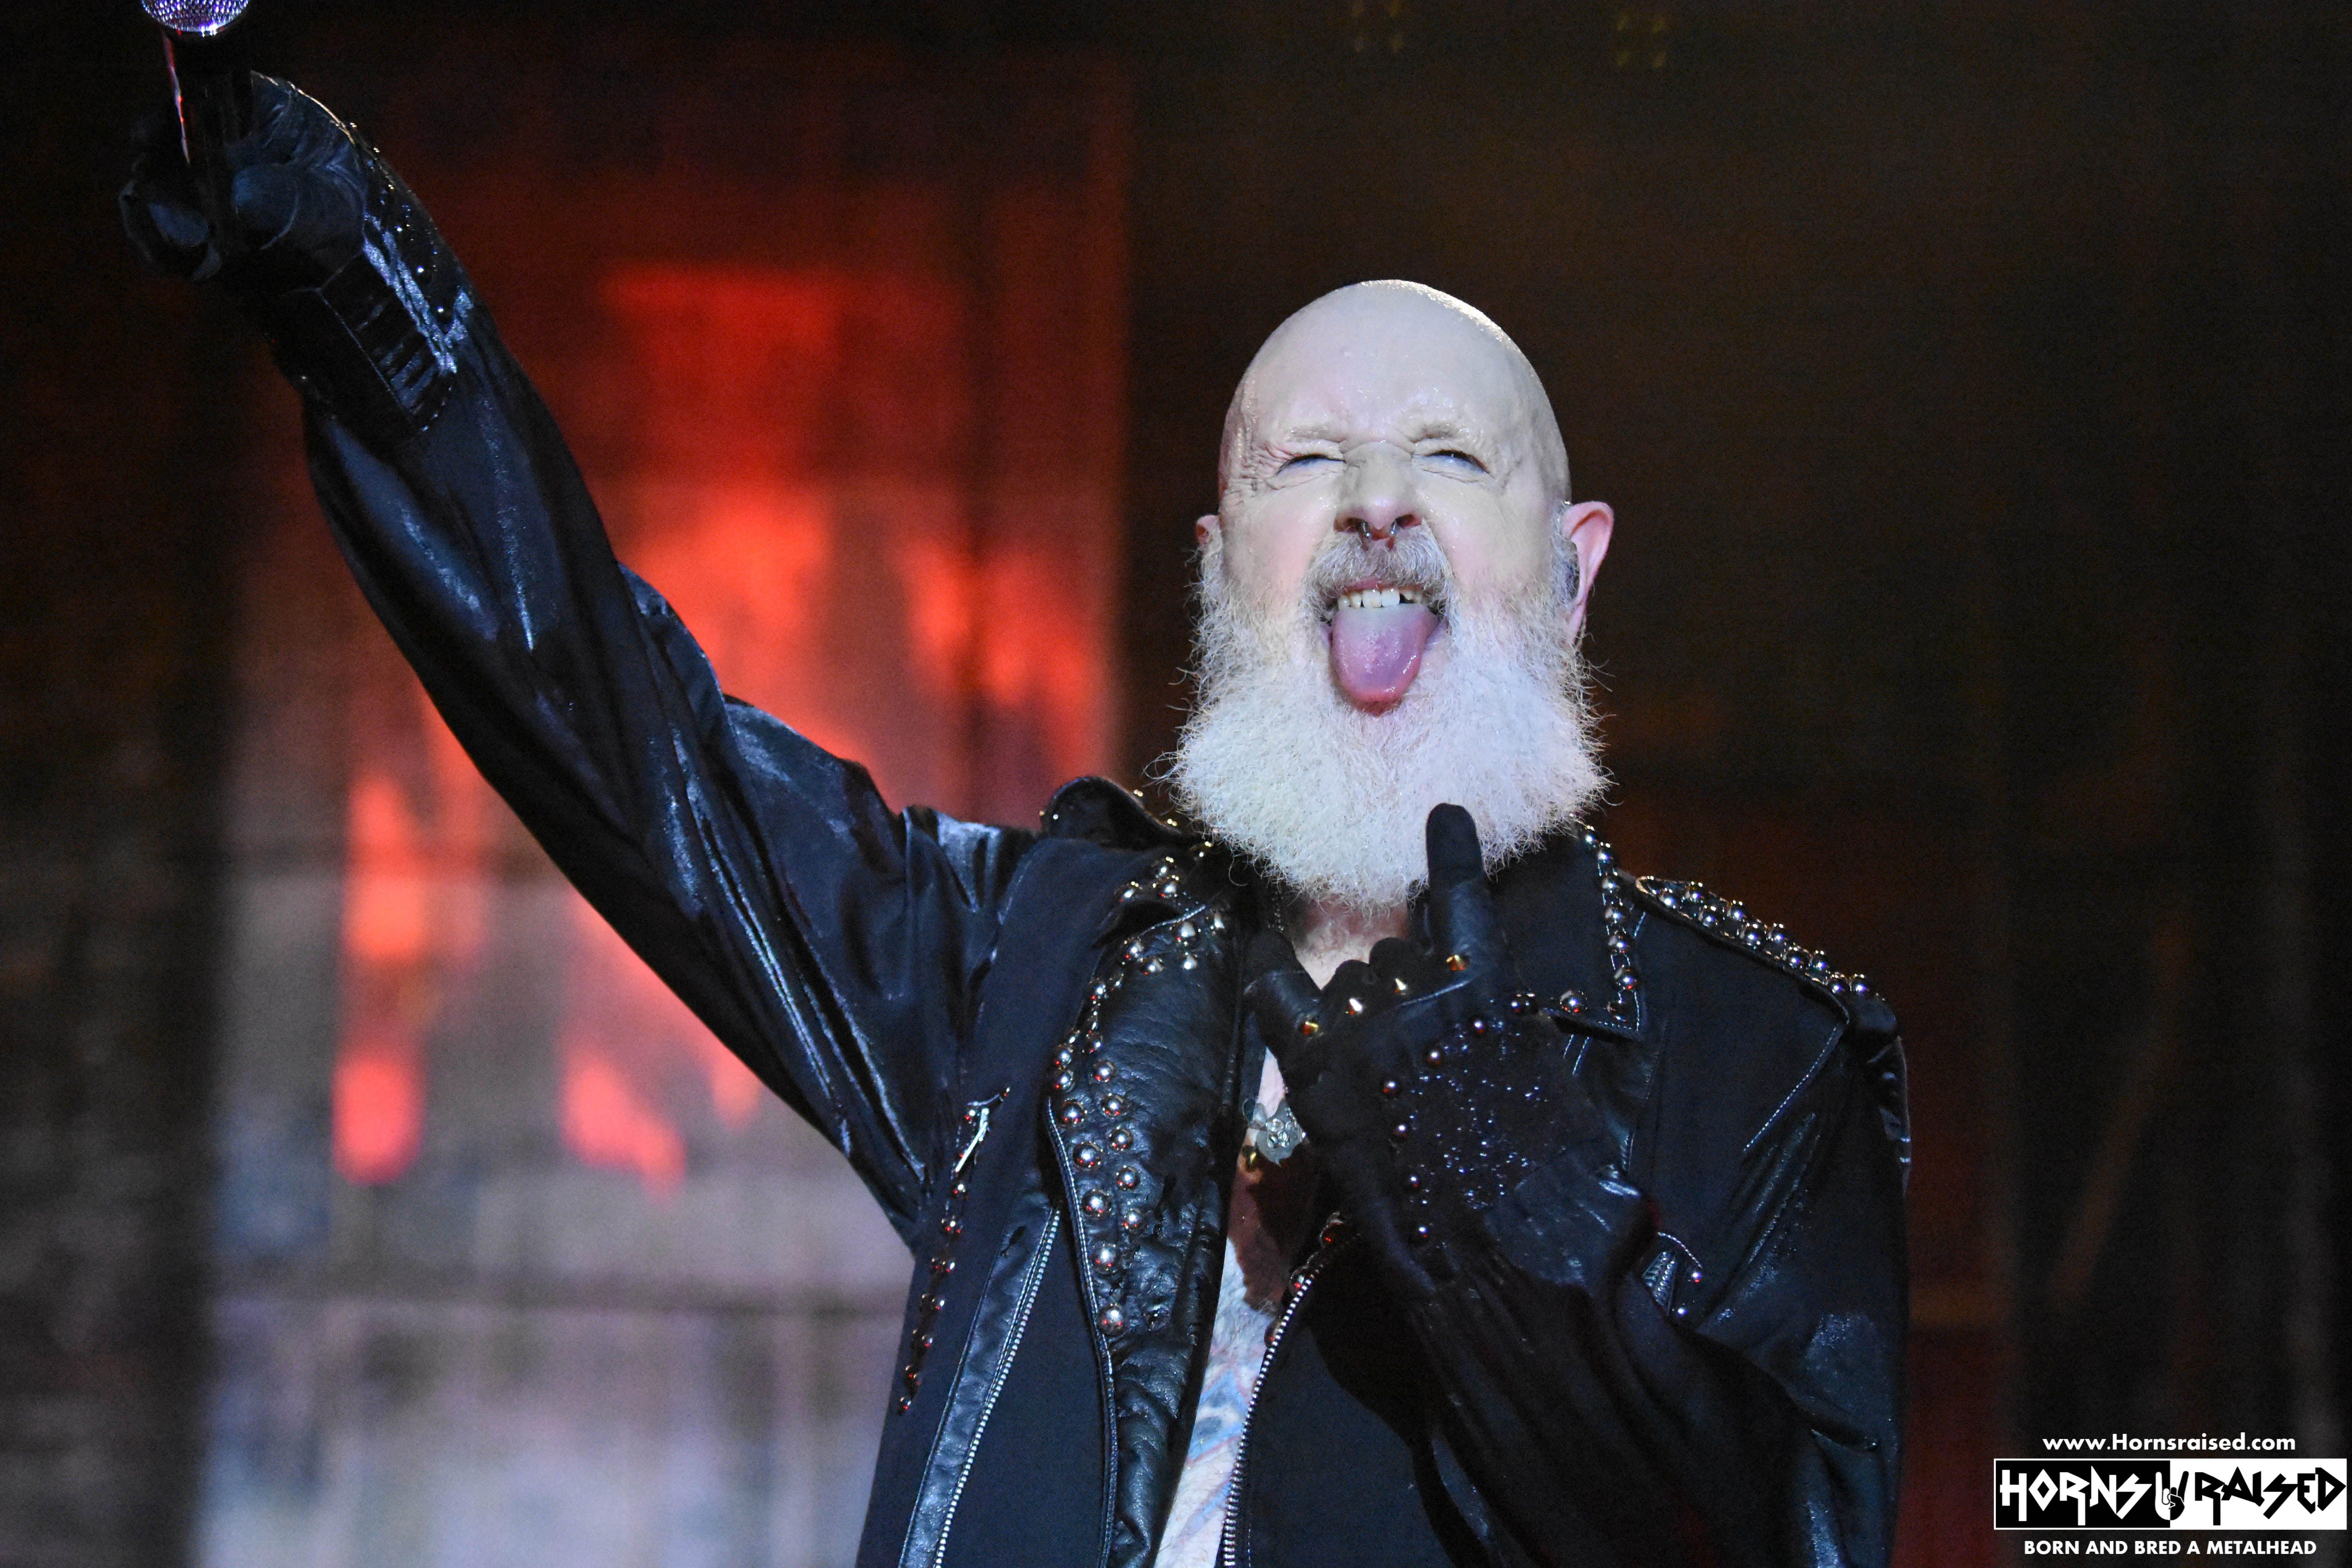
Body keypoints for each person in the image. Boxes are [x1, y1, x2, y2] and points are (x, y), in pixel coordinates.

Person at [124, 76, 1910, 1568]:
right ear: (1219, 574)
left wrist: (1505, 1225)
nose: (1375, 504)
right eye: (1305, 464)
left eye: (1451, 458)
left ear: (1573, 573)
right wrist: (364, 297)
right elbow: (628, 738)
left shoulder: (1754, 1067)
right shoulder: (1049, 971)